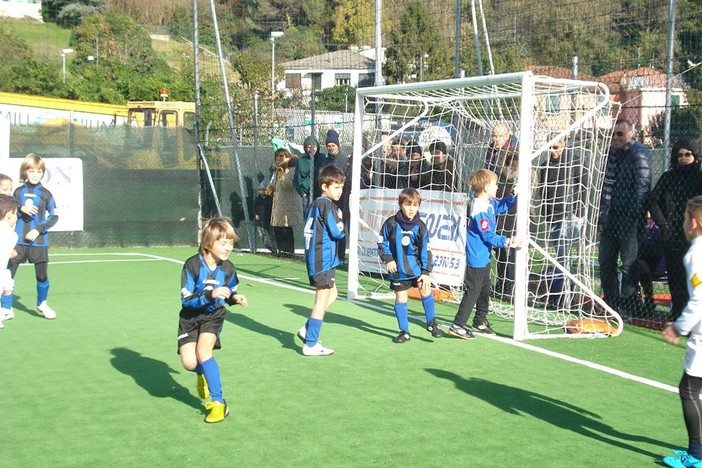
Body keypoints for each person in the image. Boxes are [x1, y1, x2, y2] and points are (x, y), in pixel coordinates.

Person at [178, 217, 248, 423]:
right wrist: (210, 294)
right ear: (209, 242)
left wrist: (235, 298)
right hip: (190, 317)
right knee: (189, 362)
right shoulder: (191, 265)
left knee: (203, 352)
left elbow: (228, 292)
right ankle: (203, 374)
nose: (228, 248)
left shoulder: (228, 269)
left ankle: (219, 403)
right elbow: (186, 300)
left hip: (213, 315)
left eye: (231, 243)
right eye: (223, 243)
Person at [448, 169, 518, 339]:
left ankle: (480, 320)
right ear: (486, 188)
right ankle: (457, 324)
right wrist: (507, 241)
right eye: (494, 184)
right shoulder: (479, 209)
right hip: (476, 257)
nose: (497, 186)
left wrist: (513, 195)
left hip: (484, 257)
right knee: (473, 290)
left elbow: (503, 206)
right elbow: (487, 235)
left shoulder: (489, 203)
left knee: (485, 289)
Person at [660, 195, 702, 468]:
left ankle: (696, 455)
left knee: (688, 390)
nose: (684, 223)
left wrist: (678, 326)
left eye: (686, 218)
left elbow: (700, 298)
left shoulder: (695, 253)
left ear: (694, 223)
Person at [598, 118, 653, 316]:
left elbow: (642, 187)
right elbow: (604, 186)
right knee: (605, 262)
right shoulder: (610, 154)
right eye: (613, 134)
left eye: (620, 134)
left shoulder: (639, 153)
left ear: (630, 133)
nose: (615, 138)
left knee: (629, 264)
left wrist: (632, 215)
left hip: (630, 220)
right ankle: (611, 304)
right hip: (610, 218)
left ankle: (629, 306)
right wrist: (602, 212)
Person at [378, 188, 443, 343]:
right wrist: (388, 259)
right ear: (400, 205)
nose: (412, 208)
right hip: (398, 270)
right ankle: (404, 331)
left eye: (415, 205)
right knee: (401, 297)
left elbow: (425, 250)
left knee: (425, 289)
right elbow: (382, 243)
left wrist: (426, 271)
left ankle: (431, 323)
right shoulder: (391, 224)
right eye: (408, 205)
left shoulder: (421, 226)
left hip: (417, 269)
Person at [1, 154, 59, 320]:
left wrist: (38, 230)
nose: (35, 174)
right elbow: (7, 211)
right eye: (31, 171)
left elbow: (55, 216)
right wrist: (20, 210)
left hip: (39, 242)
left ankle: (42, 303)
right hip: (16, 242)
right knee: (8, 275)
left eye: (38, 171)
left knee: (41, 276)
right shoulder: (17, 192)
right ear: (24, 172)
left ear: (43, 173)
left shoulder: (46, 194)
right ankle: (6, 308)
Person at [649, 138, 702, 320]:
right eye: (679, 155)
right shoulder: (668, 177)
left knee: (695, 276)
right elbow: (653, 201)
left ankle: (694, 315)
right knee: (675, 276)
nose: (683, 158)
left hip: (696, 234)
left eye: (688, 154)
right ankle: (678, 313)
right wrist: (663, 224)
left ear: (695, 156)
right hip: (672, 235)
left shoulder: (700, 177)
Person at [296, 165, 346, 356]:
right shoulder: (328, 205)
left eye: (341, 187)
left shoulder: (315, 203)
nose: (340, 191)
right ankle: (310, 344)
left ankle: (307, 329)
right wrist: (341, 220)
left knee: (333, 293)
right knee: (321, 300)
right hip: (323, 258)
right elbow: (336, 232)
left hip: (316, 257)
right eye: (336, 187)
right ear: (324, 187)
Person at [538, 135, 589, 270]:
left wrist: (578, 211)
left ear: (563, 144)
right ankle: (567, 284)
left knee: (566, 254)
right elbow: (542, 189)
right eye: (549, 148)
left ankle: (570, 284)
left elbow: (584, 186)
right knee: (561, 255)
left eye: (555, 147)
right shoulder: (545, 165)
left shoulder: (574, 161)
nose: (552, 151)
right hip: (553, 215)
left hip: (571, 215)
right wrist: (545, 213)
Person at [268, 148, 304, 257]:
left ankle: (289, 252)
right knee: (277, 228)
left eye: (282, 156)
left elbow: (288, 186)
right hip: (278, 203)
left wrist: (282, 174)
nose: (279, 158)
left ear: (287, 157)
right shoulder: (277, 169)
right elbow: (273, 184)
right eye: (277, 156)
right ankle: (280, 251)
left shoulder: (291, 169)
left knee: (286, 229)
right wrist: (269, 189)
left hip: (289, 204)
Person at [638, 212, 665, 314]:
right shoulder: (639, 225)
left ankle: (649, 301)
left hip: (655, 261)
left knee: (643, 269)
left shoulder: (658, 226)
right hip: (641, 259)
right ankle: (638, 300)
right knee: (638, 266)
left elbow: (662, 251)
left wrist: (660, 268)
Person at [0, 194, 18, 329]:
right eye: (15, 214)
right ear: (9, 216)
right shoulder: (12, 235)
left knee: (7, 281)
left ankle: (6, 310)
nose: (17, 218)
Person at [293, 135, 319, 213]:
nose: (311, 149)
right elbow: (297, 179)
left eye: (314, 146)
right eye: (308, 147)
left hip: (319, 193)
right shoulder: (301, 161)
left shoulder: (322, 158)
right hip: (306, 195)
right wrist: (302, 193)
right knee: (308, 215)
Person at [253, 182, 275, 253]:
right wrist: (256, 214)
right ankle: (270, 248)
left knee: (272, 236)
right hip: (260, 221)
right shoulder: (257, 200)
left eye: (263, 189)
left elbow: (273, 209)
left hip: (269, 221)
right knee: (262, 236)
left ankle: (275, 249)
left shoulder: (270, 199)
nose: (261, 191)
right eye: (260, 189)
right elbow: (253, 209)